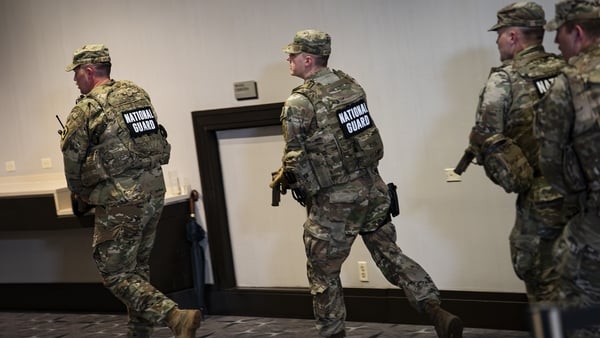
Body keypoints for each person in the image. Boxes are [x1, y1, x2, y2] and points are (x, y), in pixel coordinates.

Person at [270, 29, 463, 338]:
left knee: (324, 274)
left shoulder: (299, 102)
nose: (287, 59)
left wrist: (297, 185)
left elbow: (295, 158)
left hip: (334, 203)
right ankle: (436, 310)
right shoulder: (351, 87)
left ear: (308, 59)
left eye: (292, 55)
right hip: (372, 189)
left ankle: (333, 333)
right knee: (391, 255)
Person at [59, 44, 201, 338]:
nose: (74, 80)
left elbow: (72, 158)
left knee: (115, 272)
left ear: (88, 71)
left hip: (120, 198)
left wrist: (79, 191)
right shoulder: (136, 95)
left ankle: (174, 316)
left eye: (76, 73)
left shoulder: (87, 108)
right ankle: (140, 332)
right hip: (153, 190)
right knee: (136, 267)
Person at [464, 2, 576, 304]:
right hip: (583, 192)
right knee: (582, 280)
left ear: (513, 36)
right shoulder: (569, 68)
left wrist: (516, 179)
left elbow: (487, 138)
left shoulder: (504, 80)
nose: (497, 41)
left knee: (542, 282)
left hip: (540, 197)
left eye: (499, 34)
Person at [535, 0, 600, 335]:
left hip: (594, 222)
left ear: (576, 31)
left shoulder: (571, 82)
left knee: (568, 307)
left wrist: (578, 192)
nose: (555, 42)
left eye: (558, 33)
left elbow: (552, 161)